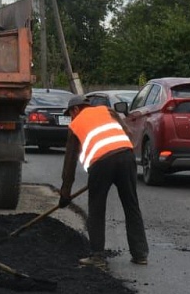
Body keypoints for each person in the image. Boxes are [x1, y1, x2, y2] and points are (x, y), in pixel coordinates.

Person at [58, 94, 149, 267]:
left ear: (75, 109)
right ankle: (140, 255)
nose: (71, 118)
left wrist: (65, 193)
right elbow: (128, 132)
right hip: (126, 157)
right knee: (131, 205)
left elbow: (70, 161)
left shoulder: (76, 124)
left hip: (101, 163)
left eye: (70, 114)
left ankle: (97, 256)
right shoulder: (107, 111)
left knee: (97, 208)